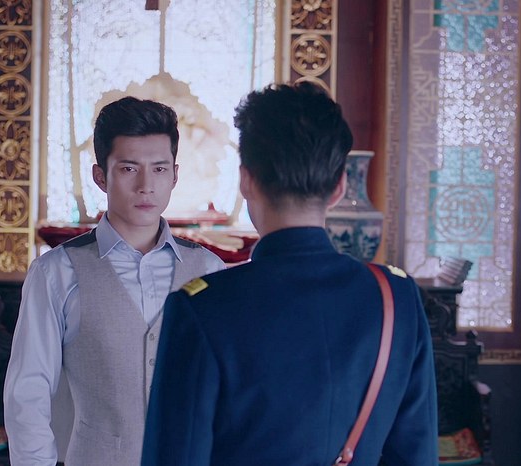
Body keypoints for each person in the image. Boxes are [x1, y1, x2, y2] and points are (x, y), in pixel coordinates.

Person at [142, 82, 438, 465]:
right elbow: (417, 456)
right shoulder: (395, 298)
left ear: (246, 179)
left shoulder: (201, 308)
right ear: (339, 186)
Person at [3, 96, 226, 465]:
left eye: (159, 169)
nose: (146, 186)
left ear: (174, 175)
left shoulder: (210, 269)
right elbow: (27, 394)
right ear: (100, 176)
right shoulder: (57, 272)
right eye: (128, 168)